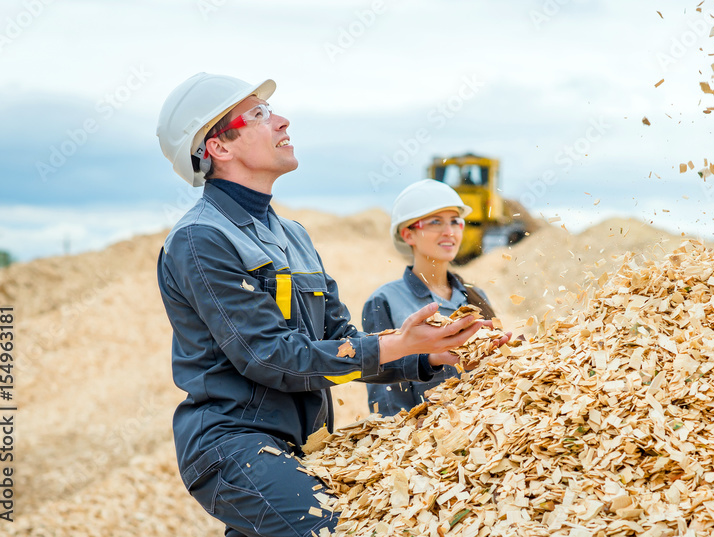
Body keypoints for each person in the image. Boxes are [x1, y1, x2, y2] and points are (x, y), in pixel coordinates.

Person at [154, 73, 503, 537]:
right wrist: (396, 342)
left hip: (304, 444)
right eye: (258, 113)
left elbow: (339, 343)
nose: (281, 120)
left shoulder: (293, 235)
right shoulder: (203, 239)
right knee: (339, 528)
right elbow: (269, 356)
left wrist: (425, 354)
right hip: (237, 446)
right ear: (218, 146)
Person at [363, 180, 498, 416]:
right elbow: (386, 398)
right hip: (424, 445)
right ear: (408, 234)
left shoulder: (475, 296)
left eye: (455, 222)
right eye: (435, 222)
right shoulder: (385, 300)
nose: (449, 231)